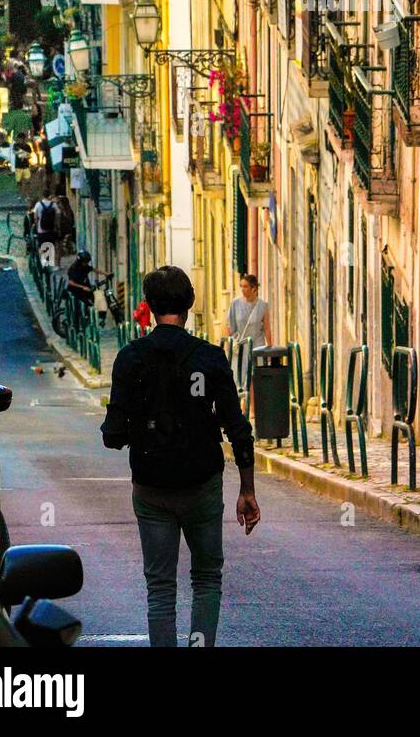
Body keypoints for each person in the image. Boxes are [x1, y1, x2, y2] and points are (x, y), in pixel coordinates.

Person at [101, 266, 259, 648]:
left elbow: (112, 435)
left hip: (151, 487)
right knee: (206, 579)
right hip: (202, 484)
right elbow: (237, 427)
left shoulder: (130, 359)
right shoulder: (209, 357)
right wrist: (247, 489)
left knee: (160, 586)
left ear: (149, 306)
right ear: (189, 304)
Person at [224, 274, 272, 350]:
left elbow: (267, 329)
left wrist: (269, 348)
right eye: (241, 286)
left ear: (254, 288)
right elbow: (229, 327)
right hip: (240, 347)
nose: (242, 289)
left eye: (245, 286)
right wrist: (228, 347)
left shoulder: (263, 306)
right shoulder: (235, 304)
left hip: (257, 347)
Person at [32, 190, 59, 264]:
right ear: (49, 195)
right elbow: (58, 215)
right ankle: (50, 263)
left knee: (42, 247)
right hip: (51, 229)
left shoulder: (38, 204)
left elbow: (35, 217)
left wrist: (37, 226)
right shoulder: (53, 204)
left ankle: (43, 263)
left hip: (41, 230)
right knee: (51, 246)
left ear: (42, 196)